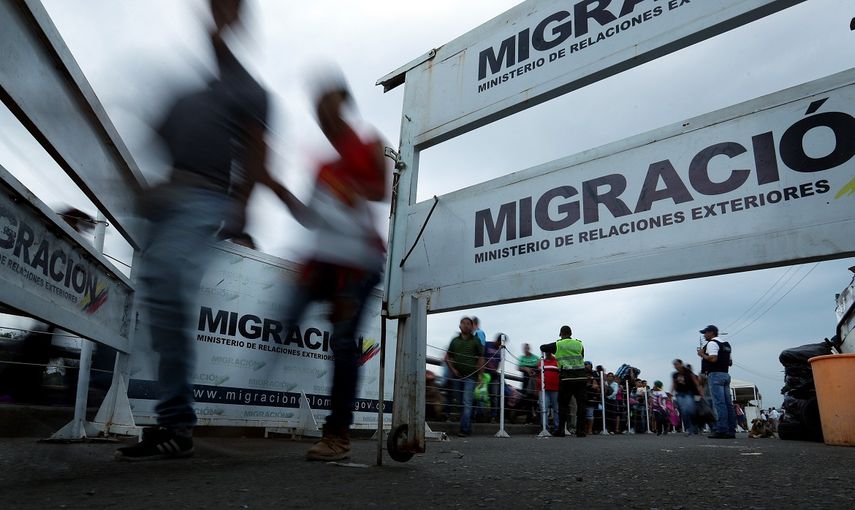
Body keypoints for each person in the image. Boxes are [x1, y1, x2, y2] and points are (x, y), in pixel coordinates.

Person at [115, 0, 295, 461]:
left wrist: (242, 206)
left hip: (205, 198)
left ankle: (179, 422)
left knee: (170, 281)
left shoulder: (253, 92)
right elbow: (153, 144)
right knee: (158, 302)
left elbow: (258, 151)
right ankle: (172, 419)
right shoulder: (186, 99)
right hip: (167, 200)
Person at [281, 66, 389, 461]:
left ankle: (338, 434)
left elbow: (383, 191)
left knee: (344, 342)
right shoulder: (322, 166)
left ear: (343, 103)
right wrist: (275, 187)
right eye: (316, 111)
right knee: (285, 316)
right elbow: (308, 216)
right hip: (324, 261)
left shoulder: (369, 143)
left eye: (328, 107)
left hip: (359, 262)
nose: (322, 117)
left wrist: (350, 189)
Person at [540, 326, 587, 437]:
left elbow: (543, 347)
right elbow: (582, 357)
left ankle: (561, 430)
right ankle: (581, 431)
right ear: (571, 333)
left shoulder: (559, 344)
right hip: (581, 378)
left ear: (561, 333)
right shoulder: (579, 344)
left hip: (566, 378)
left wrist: (558, 344)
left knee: (563, 405)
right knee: (581, 405)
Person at [445, 317, 484, 437]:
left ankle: (464, 429)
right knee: (461, 402)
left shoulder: (476, 341)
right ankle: (467, 424)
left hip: (470, 377)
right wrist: (453, 369)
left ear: (472, 327)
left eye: (468, 324)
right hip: (457, 376)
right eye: (463, 323)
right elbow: (448, 357)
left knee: (467, 402)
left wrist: (480, 376)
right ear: (459, 326)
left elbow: (481, 358)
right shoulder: (454, 341)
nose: (466, 326)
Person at [697, 324, 736, 439]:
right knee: (728, 404)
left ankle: (721, 430)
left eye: (705, 333)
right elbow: (730, 362)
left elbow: (713, 358)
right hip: (725, 374)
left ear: (711, 333)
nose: (704, 335)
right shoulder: (726, 344)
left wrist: (702, 354)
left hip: (715, 375)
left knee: (719, 403)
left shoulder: (712, 343)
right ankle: (731, 430)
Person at [671, 358, 701, 435]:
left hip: (689, 393)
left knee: (690, 410)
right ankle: (688, 428)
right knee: (684, 411)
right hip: (680, 394)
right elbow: (674, 384)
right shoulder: (675, 375)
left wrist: (700, 392)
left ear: (681, 364)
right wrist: (671, 393)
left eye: (677, 364)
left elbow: (695, 382)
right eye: (674, 365)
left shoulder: (688, 372)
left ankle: (695, 425)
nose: (676, 366)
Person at [537, 352, 560, 433]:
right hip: (543, 388)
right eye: (545, 351)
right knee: (544, 409)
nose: (547, 353)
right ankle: (544, 428)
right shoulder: (540, 361)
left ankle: (557, 428)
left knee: (556, 409)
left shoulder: (557, 361)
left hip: (556, 388)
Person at [518, 343, 541, 423]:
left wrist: (531, 369)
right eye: (525, 348)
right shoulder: (522, 358)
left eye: (527, 348)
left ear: (529, 348)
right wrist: (526, 369)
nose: (526, 350)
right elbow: (519, 367)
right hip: (526, 380)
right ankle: (528, 418)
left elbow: (539, 366)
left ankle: (534, 418)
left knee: (535, 399)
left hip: (534, 381)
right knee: (527, 399)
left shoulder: (535, 357)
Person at [483, 333, 503, 422]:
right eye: (501, 343)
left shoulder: (500, 350)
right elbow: (481, 357)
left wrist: (495, 370)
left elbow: (498, 363)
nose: (501, 345)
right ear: (498, 340)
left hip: (494, 375)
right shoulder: (487, 344)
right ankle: (480, 415)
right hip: (484, 374)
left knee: (494, 396)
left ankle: (493, 416)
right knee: (482, 394)